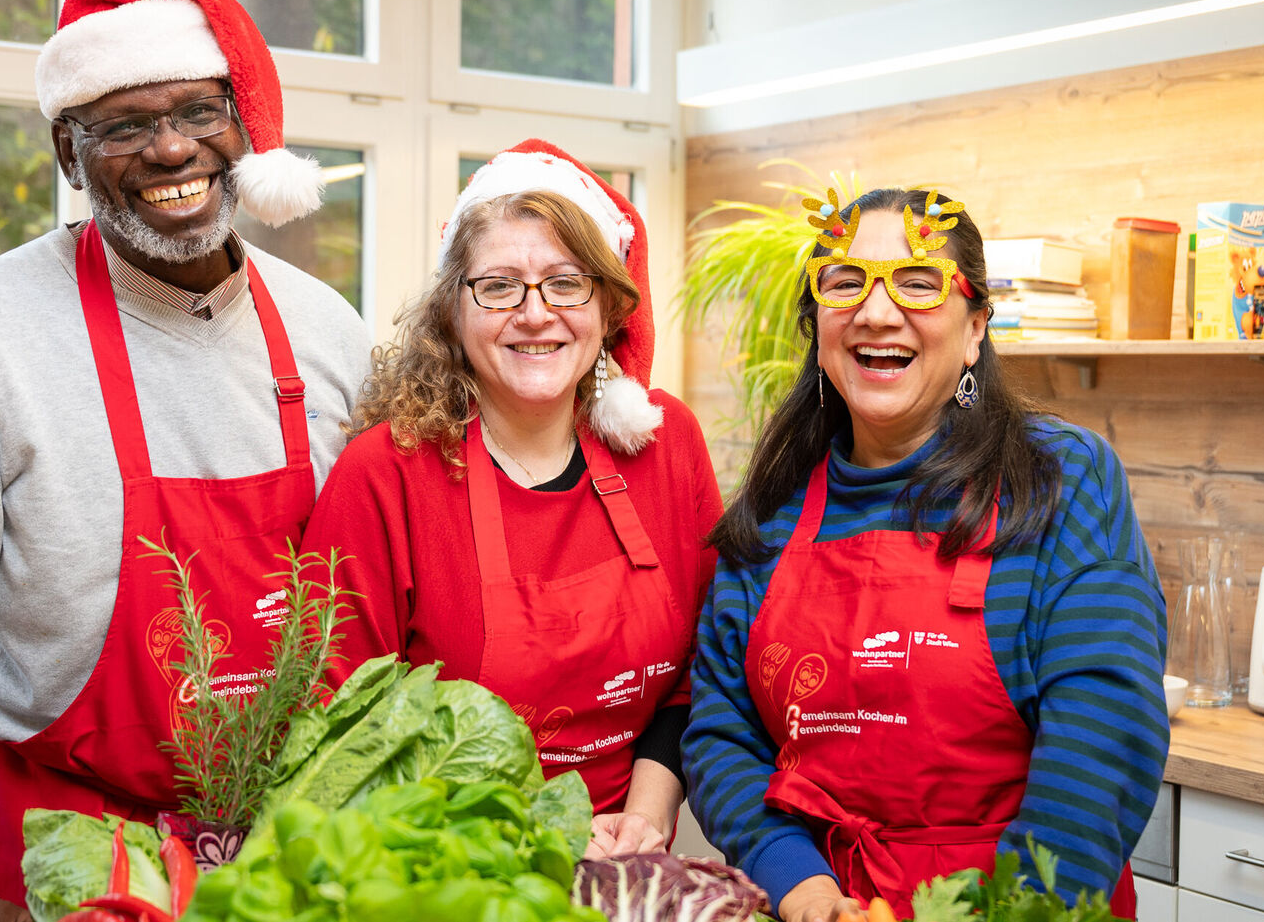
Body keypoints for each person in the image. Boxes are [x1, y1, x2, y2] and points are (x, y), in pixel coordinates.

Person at [0, 0, 372, 921]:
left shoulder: (331, 331)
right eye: (124, 124)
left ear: (243, 125)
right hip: (61, 865)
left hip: (291, 870)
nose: (172, 151)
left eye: (200, 111)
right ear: (67, 153)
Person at [682, 188, 1167, 921]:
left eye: (917, 281)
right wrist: (803, 885)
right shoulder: (775, 512)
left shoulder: (1061, 480)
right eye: (846, 283)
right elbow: (722, 728)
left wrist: (1018, 911)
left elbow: (1104, 734)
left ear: (974, 329)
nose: (878, 312)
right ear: (818, 328)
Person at [302, 140, 722, 858]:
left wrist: (647, 818)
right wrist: (533, 838)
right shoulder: (387, 475)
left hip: (628, 853)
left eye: (566, 282)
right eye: (498, 286)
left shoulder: (667, 443)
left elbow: (702, 672)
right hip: (445, 864)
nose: (536, 313)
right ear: (452, 312)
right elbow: (340, 730)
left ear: (610, 306)